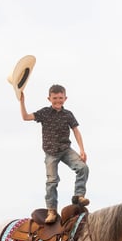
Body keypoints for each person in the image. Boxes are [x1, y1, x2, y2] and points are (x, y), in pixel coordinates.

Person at [20, 84, 89, 224]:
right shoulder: (45, 113)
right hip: (51, 152)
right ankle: (51, 210)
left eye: (60, 98)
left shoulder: (68, 114)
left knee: (83, 168)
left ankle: (79, 196)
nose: (58, 101)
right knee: (52, 181)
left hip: (65, 149)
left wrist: (82, 149)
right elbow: (26, 117)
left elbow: (76, 131)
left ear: (65, 98)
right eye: (55, 98)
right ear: (49, 98)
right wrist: (22, 101)